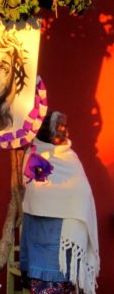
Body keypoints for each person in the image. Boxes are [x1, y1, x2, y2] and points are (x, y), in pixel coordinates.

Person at [20, 111, 100, 294]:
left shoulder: (68, 158)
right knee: (41, 284)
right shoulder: (32, 154)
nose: (67, 133)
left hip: (62, 238)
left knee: (61, 283)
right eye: (62, 128)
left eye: (67, 127)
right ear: (49, 131)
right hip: (38, 234)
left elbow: (82, 195)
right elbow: (31, 192)